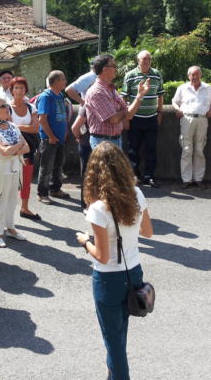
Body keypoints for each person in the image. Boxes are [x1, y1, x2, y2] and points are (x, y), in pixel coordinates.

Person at [75, 142, 153, 380]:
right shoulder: (137, 194)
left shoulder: (98, 208)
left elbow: (102, 255)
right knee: (119, 336)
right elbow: (148, 232)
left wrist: (84, 241)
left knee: (114, 344)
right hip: (134, 273)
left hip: (109, 279)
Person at [0, 94, 30, 247]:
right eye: (2, 106)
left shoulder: (12, 126)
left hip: (15, 166)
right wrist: (17, 146)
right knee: (0, 200)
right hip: (0, 169)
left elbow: (27, 147)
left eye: (6, 105)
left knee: (12, 198)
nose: (6, 108)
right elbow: (3, 151)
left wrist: (13, 148)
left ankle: (11, 228)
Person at [86, 54, 149, 149]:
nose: (116, 68)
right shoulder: (96, 91)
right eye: (114, 66)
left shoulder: (112, 90)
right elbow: (114, 119)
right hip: (102, 143)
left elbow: (129, 115)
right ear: (104, 69)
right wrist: (125, 110)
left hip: (115, 140)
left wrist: (140, 96)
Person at [121, 50, 165, 188]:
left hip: (151, 118)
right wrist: (125, 119)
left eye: (149, 59)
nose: (146, 61)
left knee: (151, 149)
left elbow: (160, 95)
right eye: (144, 59)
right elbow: (123, 98)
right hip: (135, 118)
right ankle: (134, 176)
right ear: (138, 60)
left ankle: (149, 177)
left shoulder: (157, 74)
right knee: (133, 149)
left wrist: (160, 113)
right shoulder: (130, 76)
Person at [171, 66, 211, 189]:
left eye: (197, 74)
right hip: (187, 119)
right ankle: (186, 179)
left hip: (202, 119)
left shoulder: (207, 88)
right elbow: (174, 101)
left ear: (201, 75)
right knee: (186, 149)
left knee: (199, 149)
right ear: (188, 76)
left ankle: (198, 178)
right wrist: (177, 109)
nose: (194, 77)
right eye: (192, 75)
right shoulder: (182, 88)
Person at [9, 76, 41, 220]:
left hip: (28, 150)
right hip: (11, 151)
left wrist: (17, 127)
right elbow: (7, 130)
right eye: (16, 87)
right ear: (12, 90)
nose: (19, 90)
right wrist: (24, 128)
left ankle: (25, 208)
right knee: (10, 181)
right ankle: (7, 211)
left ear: (25, 90)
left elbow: (35, 128)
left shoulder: (31, 107)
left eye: (21, 87)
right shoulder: (7, 108)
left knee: (26, 180)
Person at [36, 70, 70, 204]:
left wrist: (65, 130)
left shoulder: (60, 95)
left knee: (58, 166)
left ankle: (55, 189)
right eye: (63, 79)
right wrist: (50, 136)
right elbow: (42, 119)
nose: (65, 82)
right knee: (46, 167)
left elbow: (62, 115)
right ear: (56, 81)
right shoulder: (46, 96)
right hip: (49, 139)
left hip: (60, 138)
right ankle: (42, 193)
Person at [71, 106, 91, 211]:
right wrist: (80, 138)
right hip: (87, 145)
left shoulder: (86, 107)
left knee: (86, 174)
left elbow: (75, 128)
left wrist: (80, 138)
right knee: (87, 175)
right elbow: (75, 128)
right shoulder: (86, 107)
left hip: (85, 144)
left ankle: (86, 203)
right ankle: (86, 203)